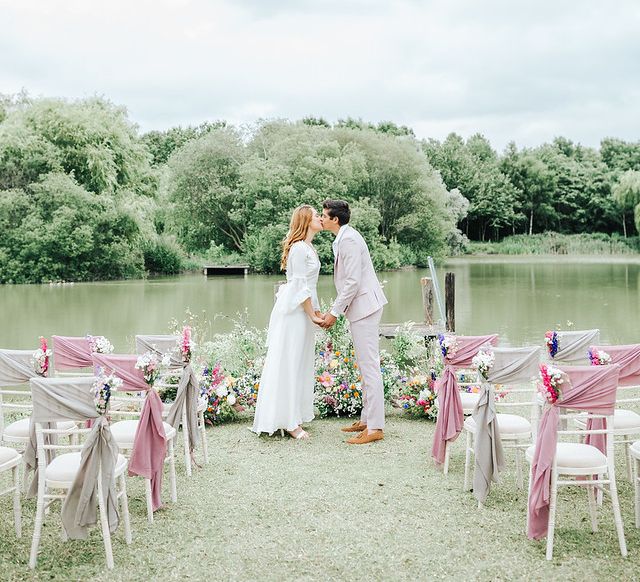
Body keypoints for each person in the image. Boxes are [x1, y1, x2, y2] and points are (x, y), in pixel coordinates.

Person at [252, 205, 324, 439]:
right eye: (316, 216)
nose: (321, 218)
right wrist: (311, 314)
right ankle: (289, 423)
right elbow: (300, 286)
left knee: (301, 361)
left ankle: (293, 414)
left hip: (304, 310)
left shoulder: (309, 247)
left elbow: (310, 286)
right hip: (294, 313)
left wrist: (317, 310)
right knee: (290, 361)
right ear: (306, 221)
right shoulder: (299, 249)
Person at [320, 199, 388, 444]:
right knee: (365, 365)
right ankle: (367, 420)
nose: (321, 218)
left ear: (334, 219)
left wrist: (334, 312)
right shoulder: (345, 237)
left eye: (324, 215)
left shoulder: (348, 240)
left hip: (364, 308)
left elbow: (352, 282)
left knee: (369, 366)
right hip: (363, 306)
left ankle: (375, 428)